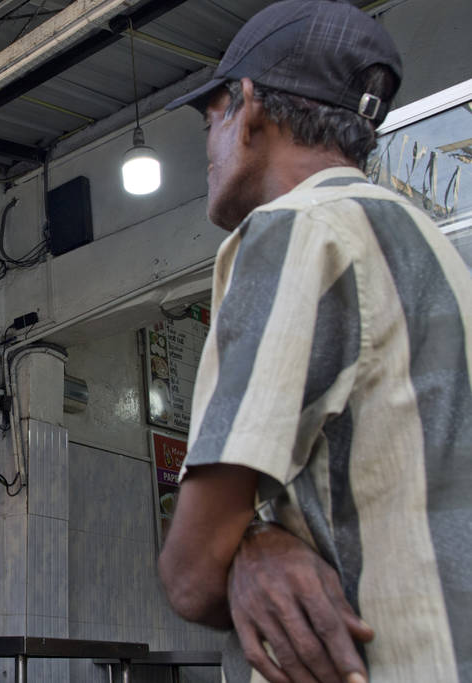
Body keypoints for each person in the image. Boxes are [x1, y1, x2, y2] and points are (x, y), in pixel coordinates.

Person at [156, 2, 471, 683]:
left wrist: (239, 552)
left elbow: (189, 573)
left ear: (248, 110)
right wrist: (262, 535)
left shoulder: (297, 231)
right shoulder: (439, 257)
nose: (206, 148)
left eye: (208, 116)